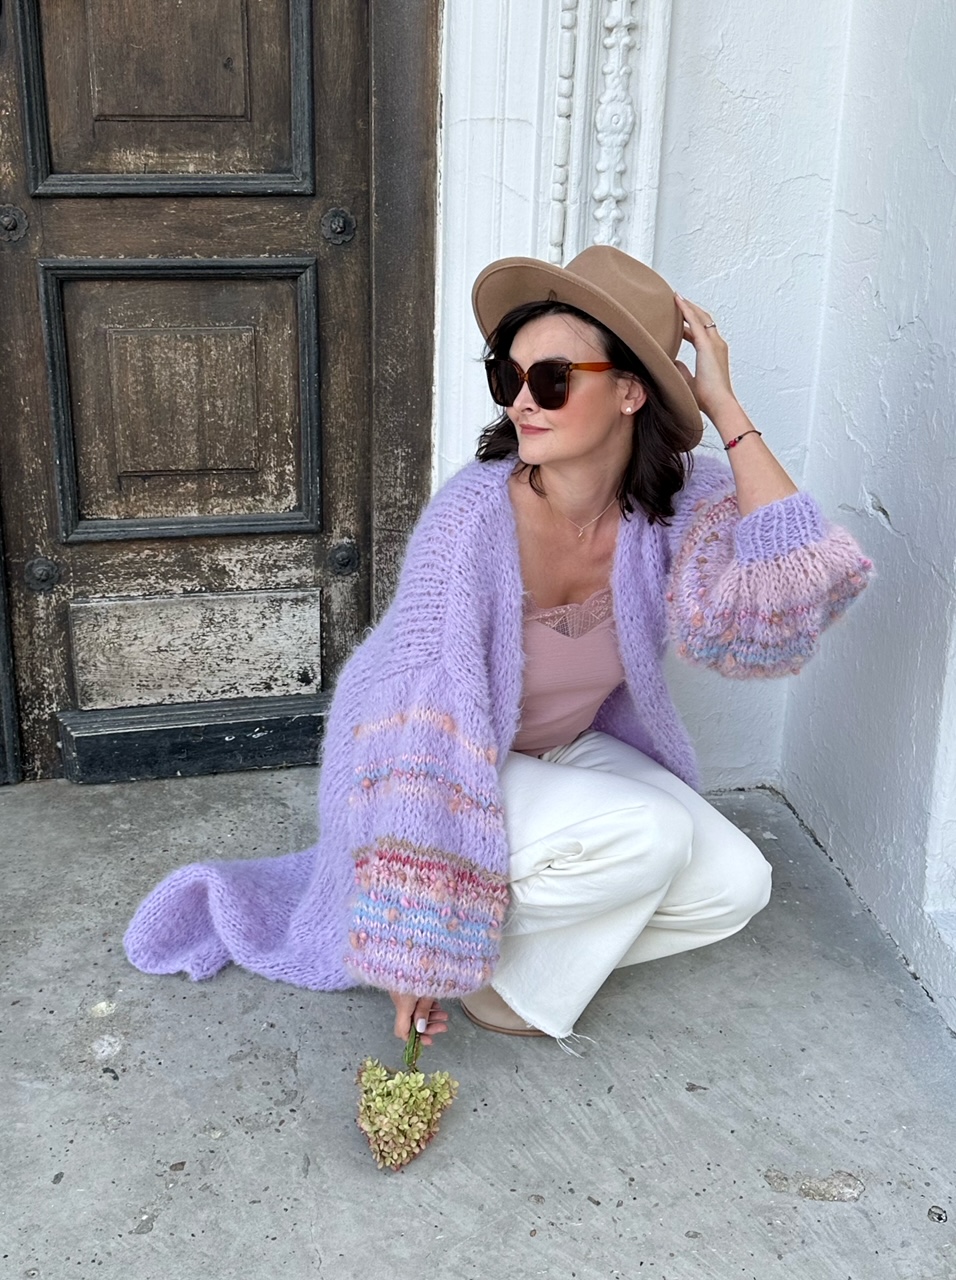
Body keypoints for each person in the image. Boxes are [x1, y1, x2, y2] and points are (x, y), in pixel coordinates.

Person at [124, 248, 871, 1048]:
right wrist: (412, 940)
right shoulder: (470, 524)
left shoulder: (676, 502)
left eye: (551, 379)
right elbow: (419, 729)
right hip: (437, 762)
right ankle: (456, 943)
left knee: (736, 883)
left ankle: (501, 975)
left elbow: (791, 602)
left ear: (630, 392)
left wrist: (723, 405)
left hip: (560, 749)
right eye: (507, 377)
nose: (522, 402)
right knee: (651, 836)